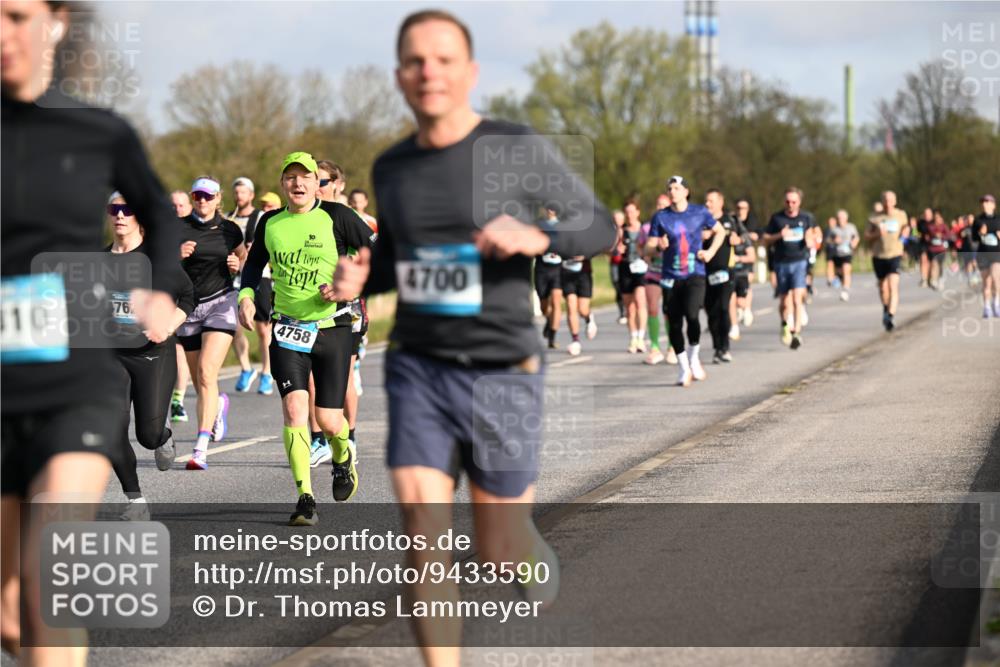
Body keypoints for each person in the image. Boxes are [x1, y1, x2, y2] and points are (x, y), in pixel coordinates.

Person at [331, 10, 616, 666]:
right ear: (400, 76)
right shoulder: (393, 166)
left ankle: (523, 548)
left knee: (497, 548)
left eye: (443, 59)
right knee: (423, 536)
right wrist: (361, 277)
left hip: (501, 369)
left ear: (471, 72)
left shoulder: (512, 148)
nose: (428, 71)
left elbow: (598, 225)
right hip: (418, 366)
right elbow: (403, 257)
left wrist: (537, 236)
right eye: (414, 60)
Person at [2, 1, 182, 660]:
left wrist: (161, 289)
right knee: (12, 613)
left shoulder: (96, 130)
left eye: (16, 15)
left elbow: (162, 217)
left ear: (53, 23)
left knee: (51, 578)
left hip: (77, 380)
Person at [240, 151, 376, 524]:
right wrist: (246, 296)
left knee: (330, 420)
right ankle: (305, 497)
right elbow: (253, 264)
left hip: (333, 328)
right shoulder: (270, 222)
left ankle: (342, 455)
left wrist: (349, 285)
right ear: (283, 183)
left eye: (305, 177)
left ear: (317, 182)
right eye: (290, 177)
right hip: (287, 330)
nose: (297, 183)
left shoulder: (338, 217)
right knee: (295, 411)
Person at [105, 193, 194, 520]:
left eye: (127, 209)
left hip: (153, 355)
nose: (120, 215)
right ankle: (136, 500)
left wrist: (170, 325)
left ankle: (164, 436)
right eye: (114, 209)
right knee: (111, 429)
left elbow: (187, 296)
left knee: (147, 435)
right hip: (112, 357)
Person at [177, 176, 246, 469]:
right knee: (200, 379)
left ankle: (200, 448)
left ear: (219, 198)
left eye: (208, 196)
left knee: (206, 372)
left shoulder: (230, 230)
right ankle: (217, 406)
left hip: (221, 302)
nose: (202, 201)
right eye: (197, 196)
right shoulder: (178, 228)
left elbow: (244, 258)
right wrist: (175, 256)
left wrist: (237, 265)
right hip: (187, 307)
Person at [646, 176, 726, 386]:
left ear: (686, 192)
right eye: (670, 188)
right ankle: (683, 367)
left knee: (692, 315)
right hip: (670, 277)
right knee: (674, 323)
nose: (672, 192)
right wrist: (658, 247)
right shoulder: (661, 217)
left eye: (677, 188)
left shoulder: (699, 212)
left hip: (694, 274)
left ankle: (693, 358)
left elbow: (721, 231)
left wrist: (709, 252)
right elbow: (648, 247)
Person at [226, 176, 272, 394]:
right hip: (234, 277)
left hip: (259, 275)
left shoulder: (261, 216)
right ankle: (245, 367)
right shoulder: (228, 218)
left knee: (263, 328)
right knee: (232, 325)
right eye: (236, 192)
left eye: (243, 192)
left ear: (251, 195)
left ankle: (266, 372)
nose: (239, 196)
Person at [763, 187, 816, 349]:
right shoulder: (777, 218)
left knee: (797, 299)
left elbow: (814, 235)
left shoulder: (806, 217)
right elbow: (765, 239)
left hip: (799, 262)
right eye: (787, 201)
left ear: (799, 202)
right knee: (785, 301)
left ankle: (796, 333)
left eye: (793, 202)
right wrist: (779, 235)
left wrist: (810, 240)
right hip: (781, 263)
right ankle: (785, 324)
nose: (790, 204)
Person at [864, 191, 908, 331]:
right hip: (879, 255)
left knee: (893, 285)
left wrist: (904, 239)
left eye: (890, 200)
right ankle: (885, 308)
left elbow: (907, 229)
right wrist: (876, 234)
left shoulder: (901, 215)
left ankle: (890, 315)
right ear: (882, 202)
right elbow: (866, 235)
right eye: (885, 200)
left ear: (894, 201)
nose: (888, 203)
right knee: (883, 287)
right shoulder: (875, 217)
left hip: (895, 254)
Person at [639, 193, 674, 364]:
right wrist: (649, 253)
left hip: (670, 274)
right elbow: (641, 248)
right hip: (653, 272)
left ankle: (672, 347)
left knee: (669, 311)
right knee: (652, 308)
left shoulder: (676, 225)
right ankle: (654, 347)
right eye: (658, 205)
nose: (660, 208)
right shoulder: (647, 228)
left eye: (664, 205)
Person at [703, 189, 736, 364]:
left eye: (711, 201)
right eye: (706, 201)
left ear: (720, 202)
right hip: (705, 272)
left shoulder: (729, 220)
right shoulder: (702, 222)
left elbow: (742, 238)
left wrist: (737, 239)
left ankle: (725, 347)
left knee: (723, 307)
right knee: (711, 311)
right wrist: (702, 236)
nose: (708, 204)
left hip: (726, 271)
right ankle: (717, 348)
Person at [170, 189, 194, 422]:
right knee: (179, 351)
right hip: (172, 299)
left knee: (202, 370)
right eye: (173, 205)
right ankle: (178, 400)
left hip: (202, 301)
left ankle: (215, 403)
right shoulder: (163, 232)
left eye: (181, 205)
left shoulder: (199, 230)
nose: (177, 210)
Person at [618, 196, 648, 355]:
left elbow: (650, 247)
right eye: (627, 212)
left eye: (632, 211)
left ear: (638, 212)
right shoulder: (621, 230)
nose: (629, 215)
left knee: (640, 302)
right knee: (629, 308)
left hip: (641, 268)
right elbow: (612, 249)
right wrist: (618, 249)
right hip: (625, 268)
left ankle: (641, 338)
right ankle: (633, 338)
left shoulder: (644, 229)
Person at [535, 206, 564, 349]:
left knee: (557, 301)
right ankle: (548, 320)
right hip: (542, 268)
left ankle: (552, 336)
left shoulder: (564, 226)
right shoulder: (538, 225)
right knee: (544, 306)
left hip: (558, 268)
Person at [728, 215, 755, 341]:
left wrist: (738, 259)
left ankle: (745, 309)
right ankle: (734, 327)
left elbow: (752, 257)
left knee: (740, 302)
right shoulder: (723, 239)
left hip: (742, 273)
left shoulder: (744, 240)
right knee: (730, 300)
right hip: (728, 274)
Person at [734, 197, 760, 321]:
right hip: (735, 254)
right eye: (739, 208)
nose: (741, 210)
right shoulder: (732, 220)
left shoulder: (752, 220)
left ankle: (747, 308)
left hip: (747, 254)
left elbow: (758, 234)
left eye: (743, 208)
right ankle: (738, 308)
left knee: (747, 282)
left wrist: (749, 236)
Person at [824, 209, 859, 301]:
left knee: (846, 270)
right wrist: (834, 241)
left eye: (842, 218)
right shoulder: (833, 229)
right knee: (840, 273)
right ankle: (841, 283)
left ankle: (845, 291)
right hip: (836, 254)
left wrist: (854, 243)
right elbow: (827, 240)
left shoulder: (851, 227)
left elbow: (856, 237)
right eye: (839, 218)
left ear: (846, 218)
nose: (840, 219)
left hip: (847, 253)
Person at [975, 194, 999, 317]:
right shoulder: (978, 220)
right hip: (983, 254)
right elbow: (974, 238)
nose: (984, 204)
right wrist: (980, 233)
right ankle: (987, 307)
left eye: (987, 202)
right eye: (983, 202)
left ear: (993, 205)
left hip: (996, 254)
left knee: (996, 279)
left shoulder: (998, 220)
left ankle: (997, 303)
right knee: (987, 282)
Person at [924, 209, 952, 291]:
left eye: (939, 218)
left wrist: (941, 236)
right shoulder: (930, 226)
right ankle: (934, 280)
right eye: (936, 218)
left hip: (941, 248)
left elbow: (948, 235)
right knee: (934, 264)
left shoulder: (944, 226)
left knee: (941, 265)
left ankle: (941, 280)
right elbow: (927, 236)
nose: (937, 219)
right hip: (932, 248)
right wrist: (929, 238)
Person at [610, 210, 626, 324]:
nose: (617, 221)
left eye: (619, 218)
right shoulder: (610, 232)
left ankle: (627, 311)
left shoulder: (627, 230)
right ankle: (622, 312)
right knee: (617, 285)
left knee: (625, 286)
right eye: (615, 218)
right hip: (614, 263)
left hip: (625, 262)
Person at [916, 207, 934, 287]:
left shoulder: (934, 222)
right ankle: (923, 278)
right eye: (925, 214)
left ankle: (930, 277)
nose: (927, 215)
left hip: (933, 244)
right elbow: (917, 232)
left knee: (931, 262)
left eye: (928, 214)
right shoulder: (920, 222)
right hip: (923, 243)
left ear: (931, 215)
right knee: (923, 260)